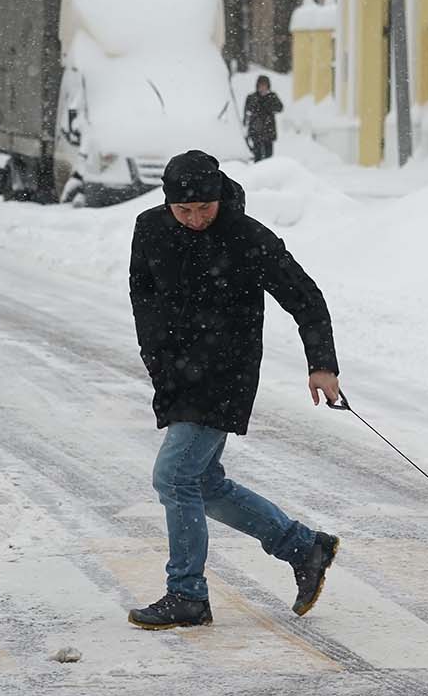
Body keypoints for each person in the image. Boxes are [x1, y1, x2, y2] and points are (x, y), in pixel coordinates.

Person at [126, 149, 343, 630]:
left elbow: (305, 296)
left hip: (225, 373)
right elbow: (141, 292)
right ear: (168, 205)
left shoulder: (247, 237)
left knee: (173, 478)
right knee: (202, 483)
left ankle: (187, 594)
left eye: (205, 208)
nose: (196, 218)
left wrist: (322, 364)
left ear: (220, 195)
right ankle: (303, 548)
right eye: (185, 211)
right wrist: (155, 355)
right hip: (176, 373)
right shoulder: (151, 228)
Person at [242, 76, 283, 162]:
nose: (263, 87)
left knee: (269, 156)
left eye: (265, 85)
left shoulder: (272, 96)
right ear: (257, 86)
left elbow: (280, 108)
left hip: (269, 131)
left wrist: (269, 105)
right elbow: (247, 112)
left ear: (268, 86)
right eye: (261, 85)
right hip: (256, 131)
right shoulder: (252, 97)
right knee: (258, 156)